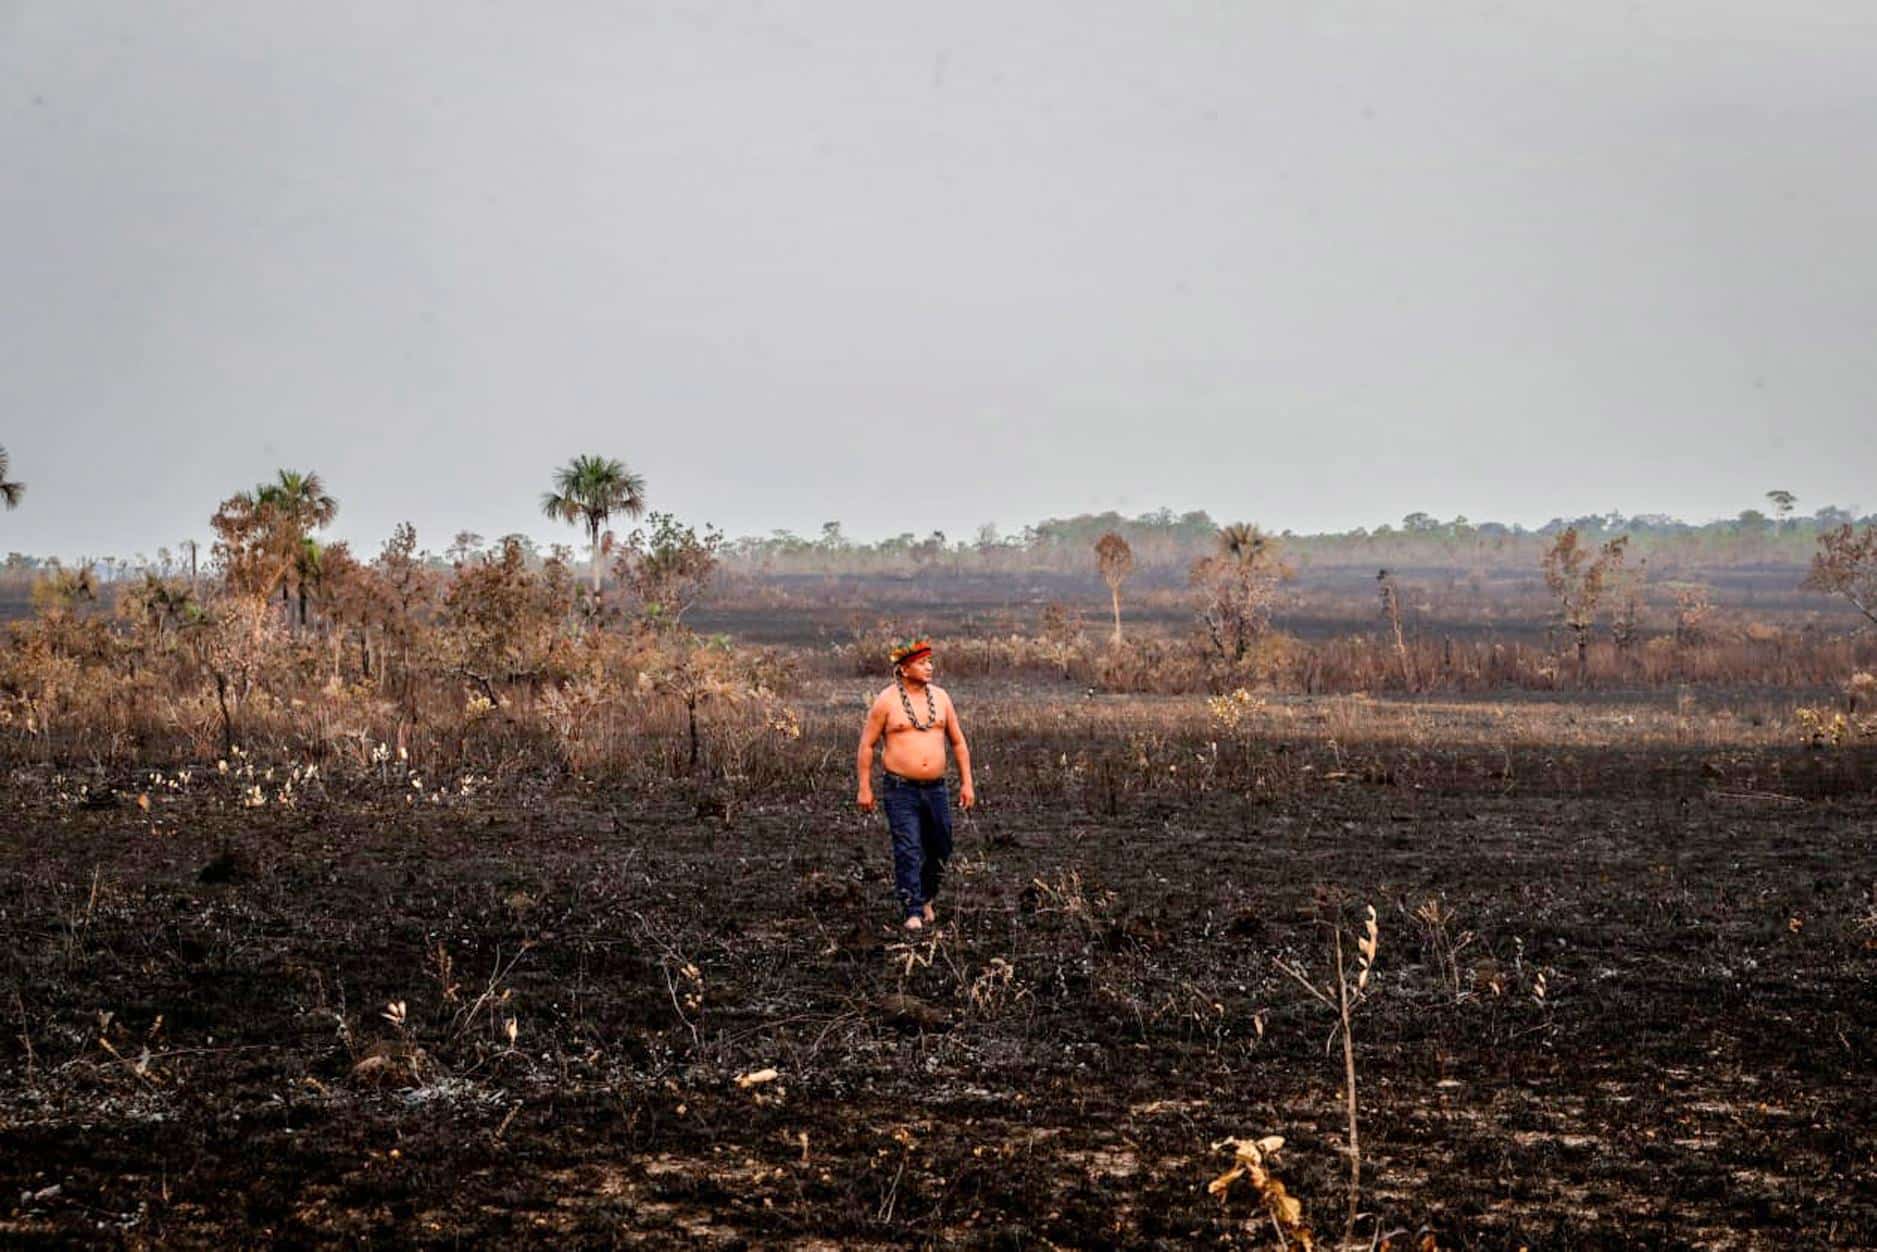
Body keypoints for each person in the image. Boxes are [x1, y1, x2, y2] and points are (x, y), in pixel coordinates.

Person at [856, 637, 975, 929]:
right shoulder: (886, 701)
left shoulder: (942, 698)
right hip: (900, 788)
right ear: (905, 669)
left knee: (941, 846)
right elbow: (867, 745)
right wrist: (864, 787)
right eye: (922, 663)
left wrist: (967, 783)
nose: (929, 667)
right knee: (907, 846)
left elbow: (958, 743)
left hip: (936, 788)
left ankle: (926, 897)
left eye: (930, 662)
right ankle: (912, 910)